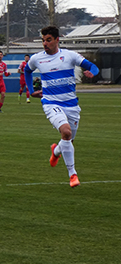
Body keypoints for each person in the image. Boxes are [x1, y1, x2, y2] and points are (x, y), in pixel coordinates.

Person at [24, 26, 99, 188]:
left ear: (57, 40)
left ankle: (55, 151)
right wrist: (31, 91)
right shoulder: (37, 59)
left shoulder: (69, 56)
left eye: (48, 40)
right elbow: (27, 71)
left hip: (72, 105)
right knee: (66, 132)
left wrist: (92, 72)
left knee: (68, 140)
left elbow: (93, 66)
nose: (45, 43)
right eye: (43, 40)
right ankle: (73, 174)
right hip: (51, 103)